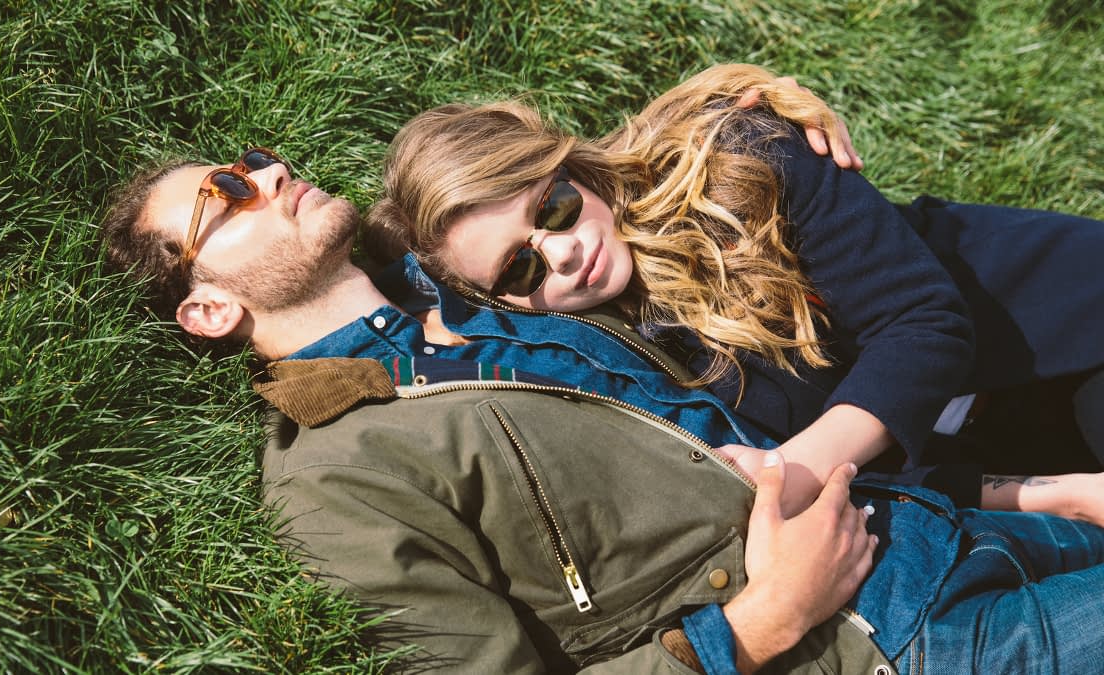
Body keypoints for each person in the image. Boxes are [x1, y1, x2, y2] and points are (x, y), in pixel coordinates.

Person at [101, 140, 1104, 673]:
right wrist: (758, 626)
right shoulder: (334, 471)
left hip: (937, 530)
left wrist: (749, 111)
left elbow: (561, 176)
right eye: (226, 194)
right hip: (882, 640)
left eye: (252, 161)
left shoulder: (480, 295)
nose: (268, 173)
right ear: (209, 308)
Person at [367, 64, 1104, 518]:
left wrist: (796, 470)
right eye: (519, 270)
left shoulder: (740, 157)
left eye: (552, 208)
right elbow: (883, 480)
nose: (564, 254)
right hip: (998, 448)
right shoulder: (630, 363)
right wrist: (1058, 494)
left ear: (572, 168)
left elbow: (922, 325)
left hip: (1069, 327)